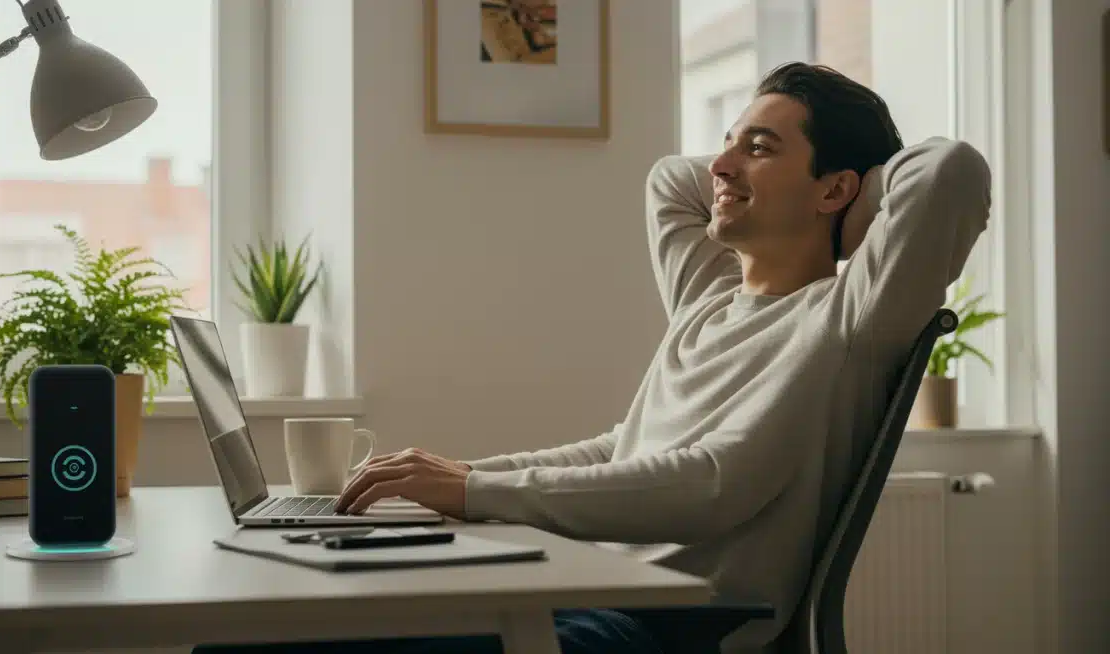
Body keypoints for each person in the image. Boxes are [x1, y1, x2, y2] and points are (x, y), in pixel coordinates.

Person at [193, 62, 991, 653]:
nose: (721, 167)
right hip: (586, 590)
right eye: (730, 143)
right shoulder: (708, 303)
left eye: (759, 149)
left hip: (663, 626)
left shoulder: (849, 322)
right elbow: (668, 184)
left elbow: (951, 170)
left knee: (256, 647)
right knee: (263, 629)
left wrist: (479, 492)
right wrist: (452, 481)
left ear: (835, 190)